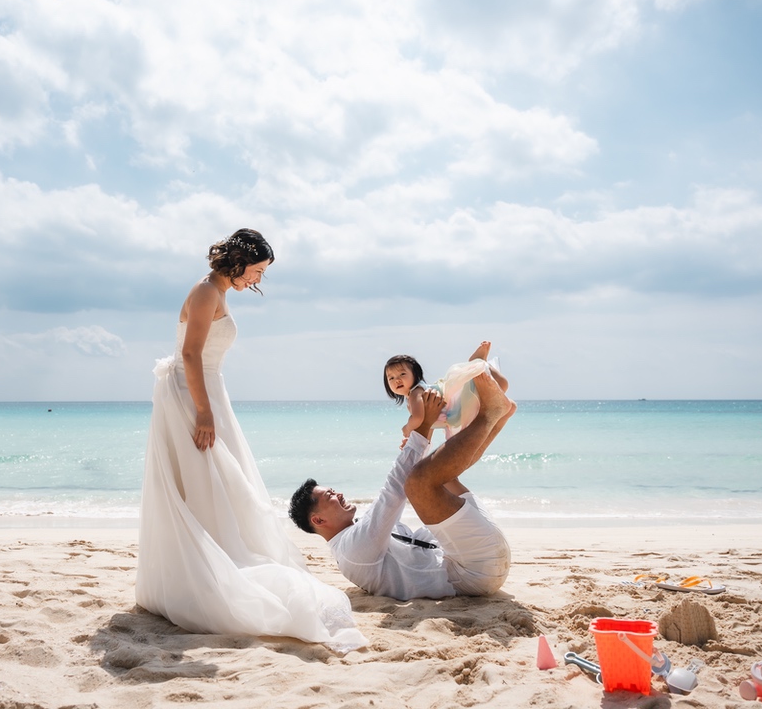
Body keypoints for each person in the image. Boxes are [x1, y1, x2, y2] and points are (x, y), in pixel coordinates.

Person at [138, 229, 365, 653]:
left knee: (219, 483)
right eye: (257, 271)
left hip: (208, 390)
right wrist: (203, 412)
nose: (258, 280)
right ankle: (206, 573)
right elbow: (190, 354)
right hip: (192, 396)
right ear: (239, 262)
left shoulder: (217, 292)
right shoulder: (206, 292)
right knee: (206, 479)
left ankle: (215, 560)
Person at [289, 369, 516, 601]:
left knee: (442, 475)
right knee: (417, 484)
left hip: (478, 557)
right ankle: (489, 414)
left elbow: (400, 486)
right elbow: (394, 492)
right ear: (318, 520)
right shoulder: (352, 550)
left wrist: (424, 431)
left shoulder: (358, 533)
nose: (339, 494)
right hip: (473, 571)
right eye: (330, 496)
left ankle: (497, 418)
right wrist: (424, 426)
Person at [384, 342, 509, 444]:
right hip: (455, 414)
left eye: (402, 374)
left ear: (415, 375)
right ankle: (478, 362)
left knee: (502, 384)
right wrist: (411, 440)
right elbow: (426, 427)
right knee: (501, 387)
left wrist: (407, 428)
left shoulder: (416, 393)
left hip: (457, 401)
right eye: (391, 378)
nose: (397, 380)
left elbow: (418, 418)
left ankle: (479, 361)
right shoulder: (412, 399)